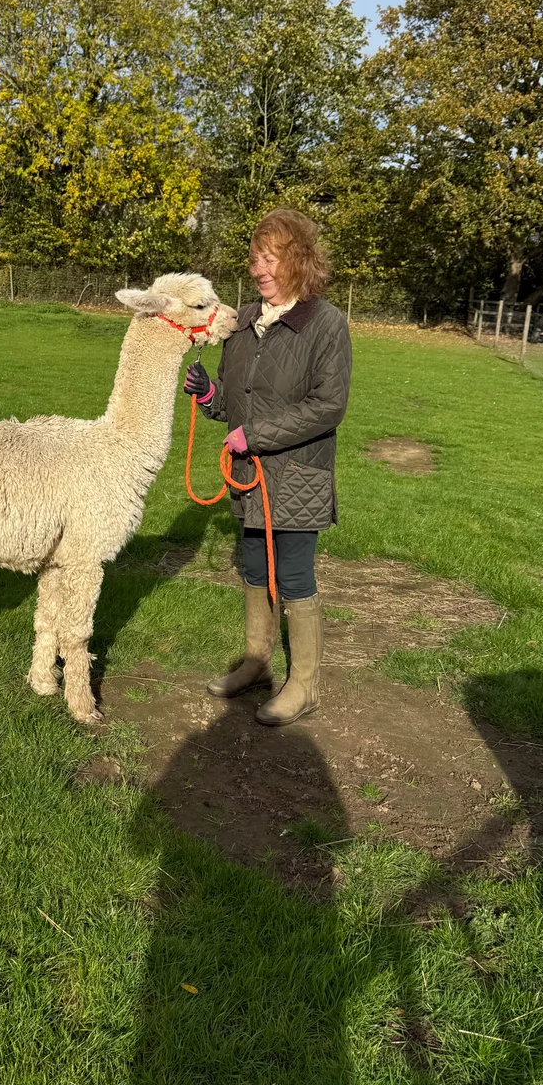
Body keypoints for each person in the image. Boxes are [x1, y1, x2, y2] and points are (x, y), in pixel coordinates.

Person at [184, 209, 351, 726]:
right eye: (255, 258)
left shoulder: (326, 324)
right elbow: (237, 406)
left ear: (298, 261)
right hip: (249, 480)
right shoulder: (245, 322)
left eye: (270, 259)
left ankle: (304, 686)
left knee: (295, 576)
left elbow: (328, 405)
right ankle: (257, 663)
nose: (258, 269)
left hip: (298, 476)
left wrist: (253, 436)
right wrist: (211, 395)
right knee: (255, 570)